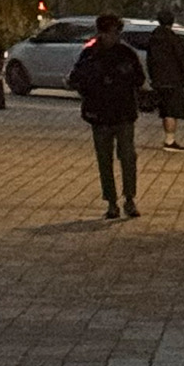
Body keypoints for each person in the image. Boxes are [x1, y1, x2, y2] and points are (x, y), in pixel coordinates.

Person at [70, 12, 147, 220]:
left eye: (117, 33)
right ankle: (111, 202)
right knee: (104, 160)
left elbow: (139, 79)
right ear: (102, 32)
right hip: (100, 114)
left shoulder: (126, 53)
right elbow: (76, 79)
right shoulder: (90, 54)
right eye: (112, 32)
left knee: (128, 157)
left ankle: (129, 198)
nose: (115, 37)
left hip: (123, 113)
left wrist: (124, 76)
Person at [144, 7, 184, 152]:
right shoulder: (173, 38)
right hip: (173, 79)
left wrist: (153, 77)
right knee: (173, 110)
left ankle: (168, 138)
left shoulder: (153, 39)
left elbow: (150, 60)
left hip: (159, 79)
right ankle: (170, 140)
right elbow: (181, 59)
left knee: (165, 110)